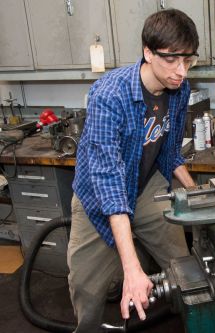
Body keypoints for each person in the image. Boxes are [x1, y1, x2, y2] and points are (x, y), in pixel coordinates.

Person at [67, 9, 199, 332]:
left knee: (184, 267)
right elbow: (110, 185)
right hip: (98, 199)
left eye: (189, 60)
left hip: (145, 187)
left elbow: (169, 153)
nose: (181, 71)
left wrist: (198, 196)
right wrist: (132, 268)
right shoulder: (109, 95)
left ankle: (193, 319)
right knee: (87, 286)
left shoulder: (179, 89)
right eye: (172, 60)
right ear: (148, 52)